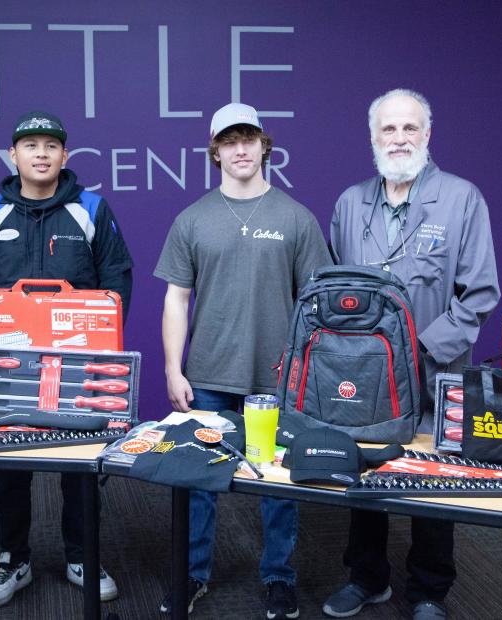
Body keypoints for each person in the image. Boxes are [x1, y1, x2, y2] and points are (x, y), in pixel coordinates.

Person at [322, 88, 500, 620]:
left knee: (433, 474)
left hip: (435, 370)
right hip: (363, 372)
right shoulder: (350, 203)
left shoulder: (462, 198)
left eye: (410, 128)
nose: (399, 138)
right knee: (366, 468)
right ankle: (367, 578)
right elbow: (335, 286)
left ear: (427, 134)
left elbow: (480, 294)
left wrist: (418, 349)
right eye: (389, 129)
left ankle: (428, 591)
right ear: (373, 137)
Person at [154, 103, 331, 618]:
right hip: (207, 374)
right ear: (215, 151)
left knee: (277, 485)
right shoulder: (193, 219)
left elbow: (316, 303)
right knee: (197, 483)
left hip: (277, 379)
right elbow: (175, 301)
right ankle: (191, 575)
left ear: (263, 145)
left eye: (248, 139)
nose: (239, 149)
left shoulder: (296, 217)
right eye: (229, 141)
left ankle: (279, 577)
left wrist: (307, 374)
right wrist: (172, 368)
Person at [0, 111, 133, 609]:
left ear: (64, 156)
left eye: (50, 145)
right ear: (13, 156)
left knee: (80, 462)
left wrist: (103, 343)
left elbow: (117, 277)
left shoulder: (91, 208)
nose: (41, 153)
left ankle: (82, 555)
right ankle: (14, 558)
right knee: (9, 464)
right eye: (30, 145)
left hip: (76, 361)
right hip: (8, 364)